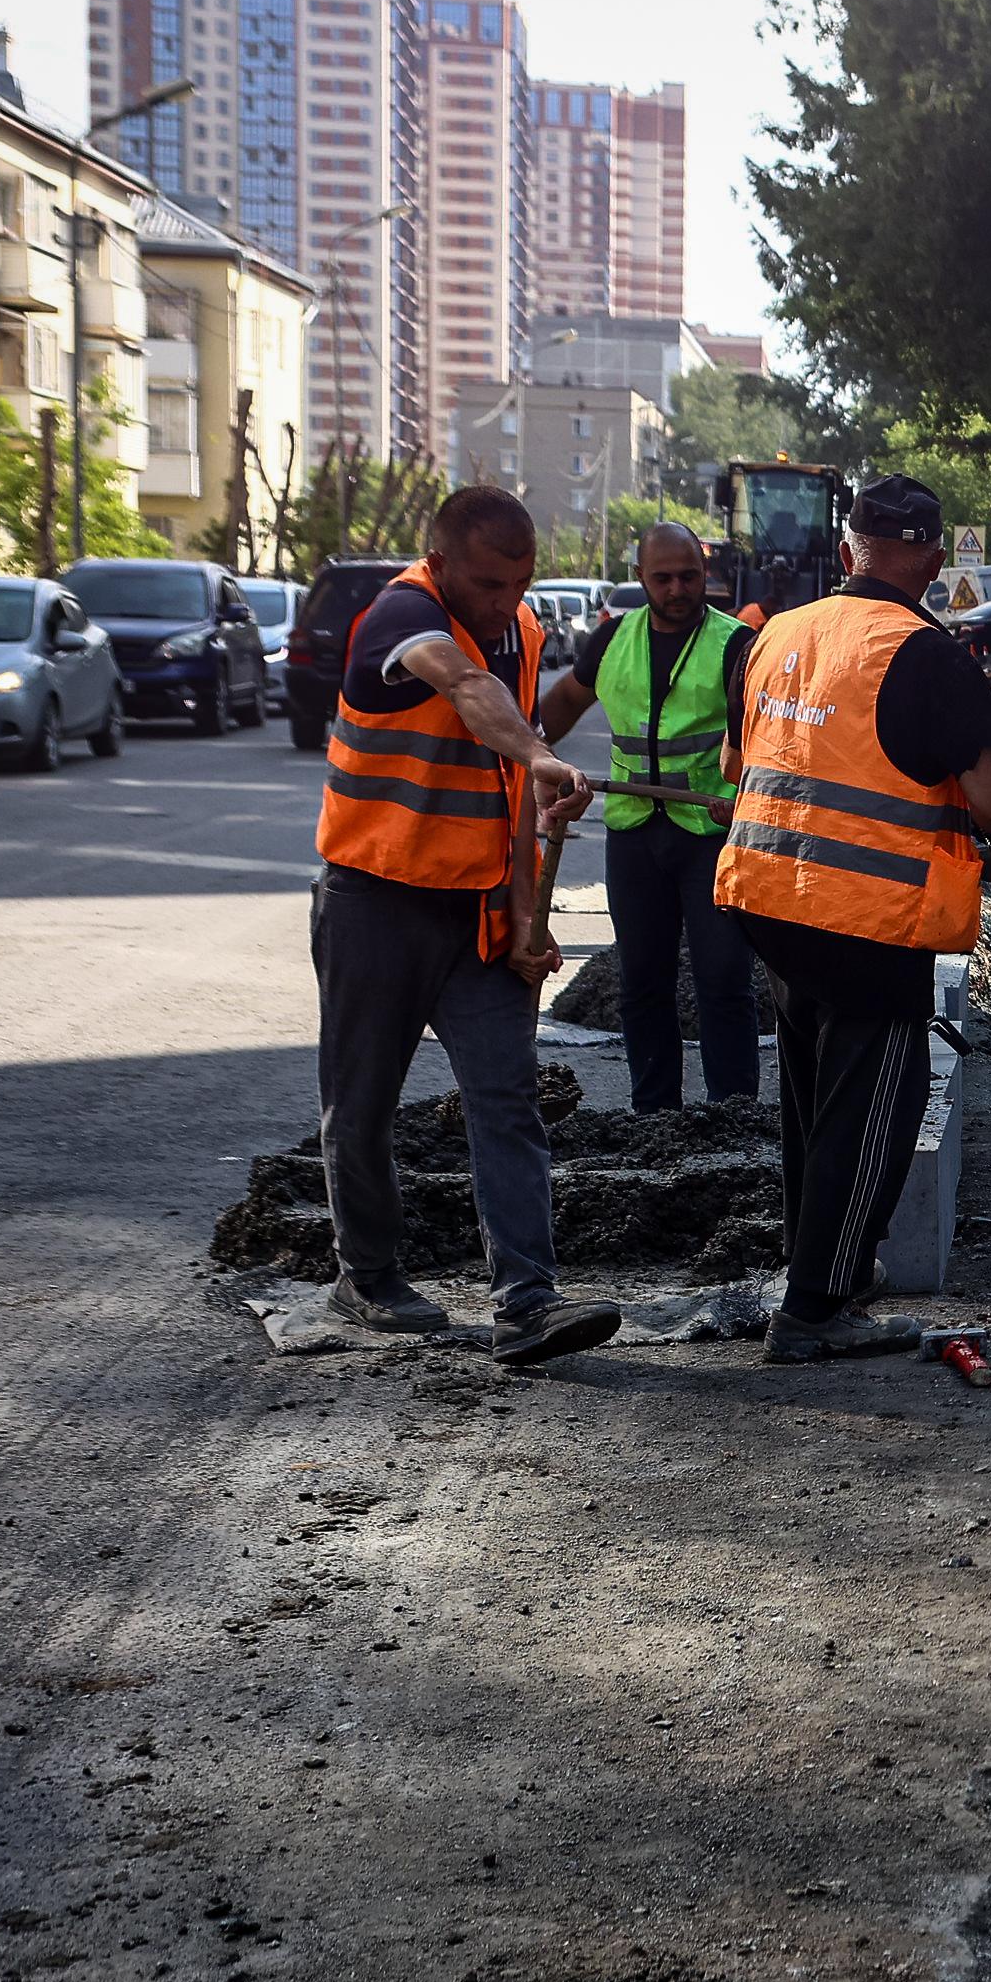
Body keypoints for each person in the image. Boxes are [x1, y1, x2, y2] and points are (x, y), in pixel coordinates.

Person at [311, 485, 622, 1367]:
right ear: (443, 564)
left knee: (507, 1098)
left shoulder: (517, 629)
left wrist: (528, 918)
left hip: (476, 910)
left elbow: (510, 799)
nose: (506, 603)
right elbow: (469, 689)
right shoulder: (400, 616)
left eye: (519, 583)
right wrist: (538, 748)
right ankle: (366, 1275)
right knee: (361, 1107)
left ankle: (526, 1304)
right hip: (374, 901)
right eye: (488, 584)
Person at [715, 475, 991, 1363]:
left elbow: (746, 762)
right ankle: (815, 1311)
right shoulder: (923, 653)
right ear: (930, 559)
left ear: (848, 549)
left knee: (813, 1102)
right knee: (877, 1106)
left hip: (771, 901)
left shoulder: (776, 633)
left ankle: (825, 1270)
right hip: (868, 918)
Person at [535, 524, 762, 1114]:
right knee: (643, 982)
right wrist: (529, 752)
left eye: (689, 576)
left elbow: (769, 741)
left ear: (704, 574)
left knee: (723, 980)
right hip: (634, 833)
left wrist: (746, 796)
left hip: (712, 836)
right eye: (663, 578)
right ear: (641, 579)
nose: (678, 589)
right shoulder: (612, 640)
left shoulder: (736, 645)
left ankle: (732, 1114)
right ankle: (654, 1115)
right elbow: (560, 705)